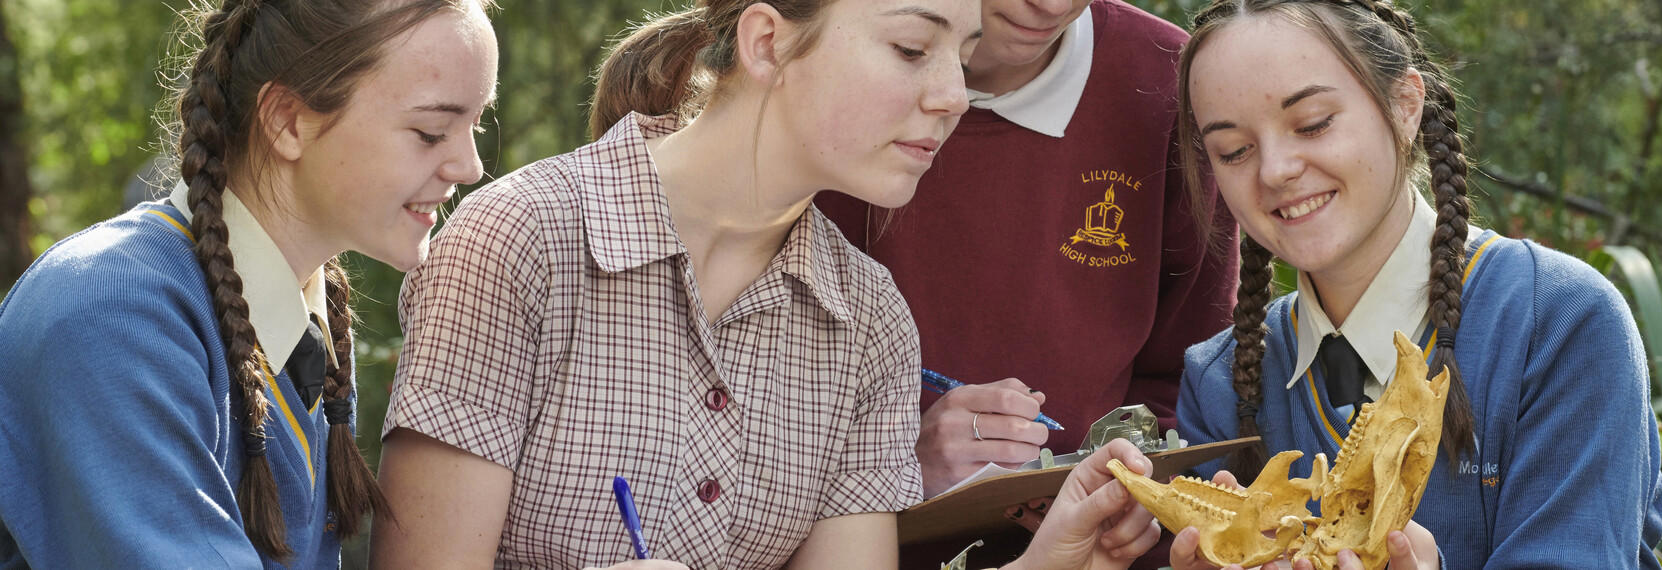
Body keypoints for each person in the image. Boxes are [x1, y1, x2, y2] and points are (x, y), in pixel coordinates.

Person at [367, 0, 1158, 567]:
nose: (953, 92)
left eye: (964, 51)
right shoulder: (519, 241)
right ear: (768, 43)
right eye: (915, 49)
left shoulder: (870, 321)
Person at [1168, 0, 1662, 568]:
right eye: (1234, 151)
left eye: (1312, 123)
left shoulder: (1557, 323)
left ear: (1405, 105)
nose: (1275, 169)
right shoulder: (1219, 384)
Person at [0, 0, 497, 566]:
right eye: (432, 132)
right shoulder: (106, 318)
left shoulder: (303, 326)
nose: (471, 166)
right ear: (287, 120)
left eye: (475, 125)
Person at [814, 0, 1240, 504]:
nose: (1052, 5)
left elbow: (1190, 377)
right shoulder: (824, 62)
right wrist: (897, 463)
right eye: (910, 52)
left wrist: (1125, 490)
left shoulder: (1167, 77)